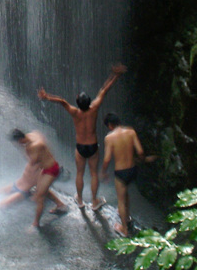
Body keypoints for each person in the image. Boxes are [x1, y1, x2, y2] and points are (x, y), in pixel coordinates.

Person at [37, 63, 127, 211]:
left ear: (78, 103)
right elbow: (104, 90)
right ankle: (94, 202)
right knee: (93, 174)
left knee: (79, 172)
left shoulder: (74, 112)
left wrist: (46, 97)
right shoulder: (94, 108)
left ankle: (79, 200)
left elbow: (61, 101)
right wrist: (115, 75)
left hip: (80, 147)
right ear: (89, 101)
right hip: (92, 146)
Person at [9, 128, 67, 228]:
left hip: (51, 170)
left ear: (19, 140)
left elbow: (32, 162)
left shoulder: (31, 147)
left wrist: (22, 150)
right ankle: (60, 205)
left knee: (40, 197)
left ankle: (36, 223)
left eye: (17, 143)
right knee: (41, 189)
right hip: (47, 167)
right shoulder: (32, 135)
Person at [100, 112, 145, 237]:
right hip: (132, 169)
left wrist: (103, 172)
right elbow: (140, 151)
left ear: (110, 125)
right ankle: (127, 217)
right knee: (126, 195)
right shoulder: (131, 131)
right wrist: (140, 160)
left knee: (121, 200)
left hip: (121, 173)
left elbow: (107, 159)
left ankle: (124, 229)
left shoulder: (109, 138)